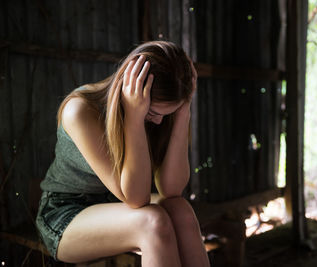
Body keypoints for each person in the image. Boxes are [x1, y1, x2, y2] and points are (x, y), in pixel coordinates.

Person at [35, 41, 210, 267]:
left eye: (167, 113)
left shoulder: (161, 115)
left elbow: (171, 189)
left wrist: (183, 111)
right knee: (152, 222)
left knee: (181, 211)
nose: (158, 121)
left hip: (116, 203)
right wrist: (134, 118)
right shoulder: (80, 110)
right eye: (154, 112)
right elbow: (137, 198)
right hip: (66, 213)